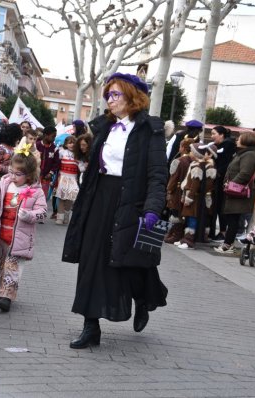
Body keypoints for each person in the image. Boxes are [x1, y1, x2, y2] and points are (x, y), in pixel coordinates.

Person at [62, 72, 168, 349]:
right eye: (108, 95)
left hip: (131, 202)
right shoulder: (105, 128)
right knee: (91, 260)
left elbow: (158, 175)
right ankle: (90, 327)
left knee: (128, 260)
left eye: (116, 94)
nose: (110, 99)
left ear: (133, 96)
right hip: (99, 199)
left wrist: (153, 208)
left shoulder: (150, 131)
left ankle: (143, 298)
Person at [0, 146, 47, 312]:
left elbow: (42, 212)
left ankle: (6, 296)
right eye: (11, 171)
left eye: (18, 174)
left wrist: (30, 215)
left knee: (12, 268)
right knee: (3, 267)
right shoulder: (4, 184)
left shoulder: (36, 191)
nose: (12, 176)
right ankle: (2, 291)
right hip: (1, 235)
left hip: (19, 239)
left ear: (29, 174)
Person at [214, 132, 255, 254]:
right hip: (234, 192)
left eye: (240, 138)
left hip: (238, 192)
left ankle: (228, 245)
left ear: (246, 141)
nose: (237, 140)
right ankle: (228, 243)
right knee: (232, 218)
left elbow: (245, 173)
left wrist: (231, 184)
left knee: (233, 219)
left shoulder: (249, 155)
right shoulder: (243, 153)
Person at [176, 143, 218, 249]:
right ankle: (187, 238)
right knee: (189, 216)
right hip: (193, 195)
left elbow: (196, 184)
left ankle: (189, 240)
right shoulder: (196, 164)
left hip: (195, 196)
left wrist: (189, 197)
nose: (190, 153)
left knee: (192, 217)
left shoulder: (200, 166)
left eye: (192, 151)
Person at [164, 138, 195, 244]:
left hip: (177, 191)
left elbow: (173, 178)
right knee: (182, 213)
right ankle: (174, 233)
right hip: (187, 190)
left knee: (175, 212)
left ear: (183, 148)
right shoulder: (193, 160)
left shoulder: (179, 160)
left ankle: (176, 235)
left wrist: (169, 190)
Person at [209, 125, 237, 242]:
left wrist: (217, 172)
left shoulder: (228, 145)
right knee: (217, 205)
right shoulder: (220, 145)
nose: (212, 136)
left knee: (220, 205)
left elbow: (225, 163)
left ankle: (223, 231)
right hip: (219, 179)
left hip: (222, 180)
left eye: (214, 133)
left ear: (222, 135)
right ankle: (218, 231)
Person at [0, 123, 23, 197]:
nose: (18, 140)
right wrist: (12, 170)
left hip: (7, 182)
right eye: (17, 137)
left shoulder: (13, 150)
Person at [54, 135, 79, 225]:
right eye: (69, 143)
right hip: (63, 177)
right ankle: (60, 217)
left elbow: (81, 167)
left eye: (73, 143)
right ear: (66, 144)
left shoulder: (78, 154)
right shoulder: (62, 152)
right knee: (61, 197)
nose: (72, 144)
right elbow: (57, 164)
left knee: (70, 197)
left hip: (73, 178)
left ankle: (67, 215)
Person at [35, 126, 60, 203]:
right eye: (53, 136)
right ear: (45, 135)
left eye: (55, 137)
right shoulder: (36, 145)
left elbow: (56, 164)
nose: (54, 139)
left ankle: (40, 212)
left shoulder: (55, 149)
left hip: (46, 178)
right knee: (33, 195)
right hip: (35, 176)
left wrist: (51, 173)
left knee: (42, 197)